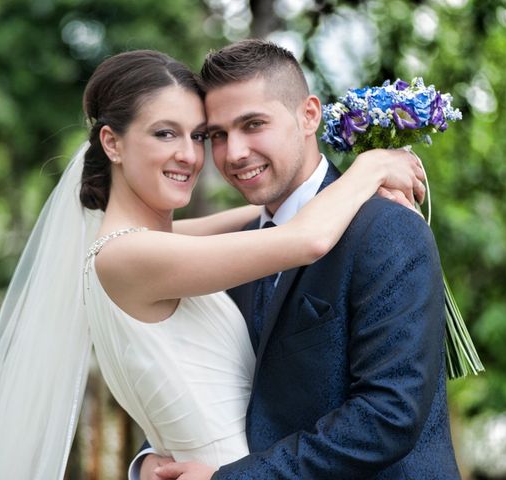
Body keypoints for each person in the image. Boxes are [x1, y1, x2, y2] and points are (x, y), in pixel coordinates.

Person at [0, 50, 424, 479]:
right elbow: (305, 237)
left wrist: (149, 460)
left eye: (197, 135)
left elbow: (266, 222)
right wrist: (372, 166)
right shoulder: (131, 256)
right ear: (112, 143)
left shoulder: (153, 246)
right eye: (166, 133)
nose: (191, 155)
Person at [136, 40, 461, 480]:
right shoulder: (236, 249)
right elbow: (211, 377)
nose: (233, 153)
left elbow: (387, 416)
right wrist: (155, 454)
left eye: (253, 124)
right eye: (217, 135)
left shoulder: (386, 228)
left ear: (309, 115)